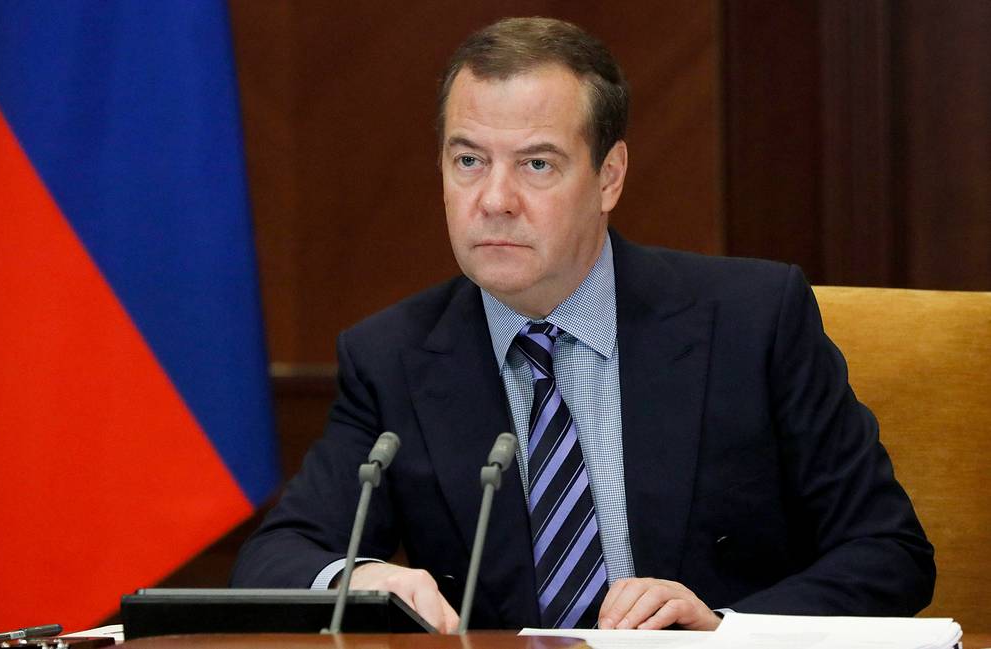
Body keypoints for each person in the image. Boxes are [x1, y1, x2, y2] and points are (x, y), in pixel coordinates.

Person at [231, 17, 934, 633]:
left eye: (536, 164)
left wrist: (725, 628)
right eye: (468, 160)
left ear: (609, 177)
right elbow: (275, 557)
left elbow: (889, 552)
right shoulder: (393, 356)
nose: (494, 199)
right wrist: (360, 576)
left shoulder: (753, 319)